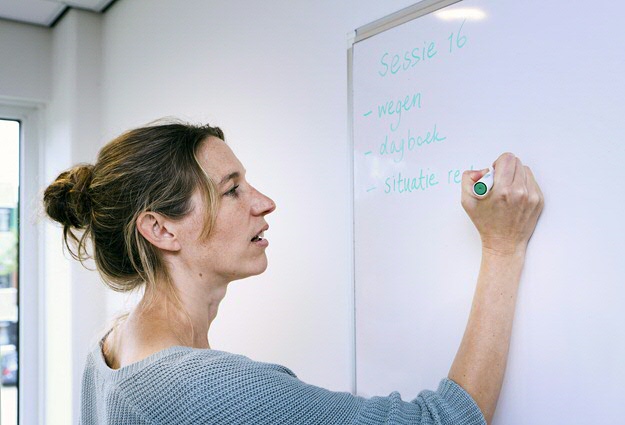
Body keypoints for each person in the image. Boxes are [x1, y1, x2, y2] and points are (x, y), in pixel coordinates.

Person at [43, 120, 543, 425]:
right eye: (232, 189)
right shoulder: (199, 388)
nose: (265, 202)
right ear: (161, 229)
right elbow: (443, 423)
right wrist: (502, 248)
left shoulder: (107, 350)